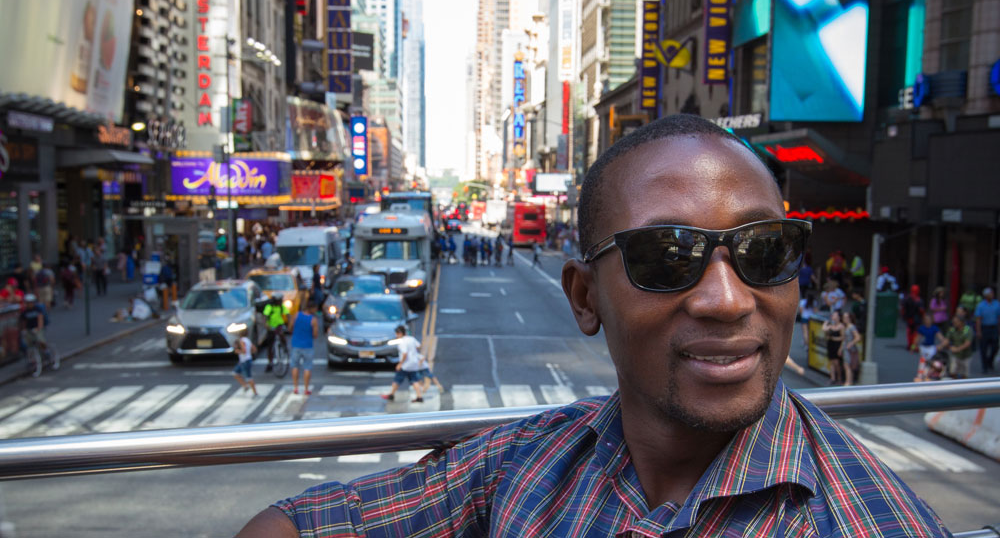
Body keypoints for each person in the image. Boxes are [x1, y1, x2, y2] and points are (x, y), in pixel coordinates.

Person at [238, 114, 949, 538]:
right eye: (668, 257)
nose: (728, 298)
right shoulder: (524, 464)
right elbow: (300, 523)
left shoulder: (867, 522)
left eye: (765, 252)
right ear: (584, 295)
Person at [380, 325, 424, 403]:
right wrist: (413, 350)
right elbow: (419, 346)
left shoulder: (402, 342)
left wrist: (400, 364)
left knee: (397, 379)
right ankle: (419, 397)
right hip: (414, 363)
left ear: (400, 333)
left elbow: (404, 354)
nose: (396, 336)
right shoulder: (411, 339)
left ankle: (391, 394)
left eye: (396, 334)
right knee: (414, 380)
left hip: (405, 365)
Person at [289, 300, 319, 395]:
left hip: (296, 344)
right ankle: (306, 389)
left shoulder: (296, 315)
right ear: (312, 308)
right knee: (307, 367)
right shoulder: (313, 320)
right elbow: (315, 334)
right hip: (308, 346)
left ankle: (295, 387)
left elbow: (290, 327)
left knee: (295, 366)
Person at [973, 286, 999, 374]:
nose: (992, 295)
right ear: (986, 295)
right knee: (983, 349)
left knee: (995, 347)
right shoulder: (981, 305)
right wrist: (979, 331)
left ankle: (989, 361)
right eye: (990, 293)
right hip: (984, 328)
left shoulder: (996, 304)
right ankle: (984, 366)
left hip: (994, 328)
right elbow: (978, 319)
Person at [262, 295, 290, 373]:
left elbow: (288, 314)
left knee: (282, 336)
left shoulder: (281, 307)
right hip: (271, 327)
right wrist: (266, 325)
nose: (280, 302)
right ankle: (270, 362)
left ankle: (285, 348)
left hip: (279, 325)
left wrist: (290, 324)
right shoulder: (269, 307)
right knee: (270, 346)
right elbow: (265, 316)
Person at [941, 313, 974, 379]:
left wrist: (957, 349)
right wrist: (939, 346)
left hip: (966, 355)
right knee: (953, 372)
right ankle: (955, 385)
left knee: (965, 374)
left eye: (956, 322)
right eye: (953, 322)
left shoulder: (968, 330)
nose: (954, 323)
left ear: (961, 322)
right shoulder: (952, 329)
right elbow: (947, 340)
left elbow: (967, 343)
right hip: (955, 355)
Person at [915, 311, 943, 380]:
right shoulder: (922, 328)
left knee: (931, 362)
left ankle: (928, 375)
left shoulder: (934, 328)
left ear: (931, 320)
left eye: (928, 319)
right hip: (923, 348)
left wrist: (942, 345)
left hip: (931, 348)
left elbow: (941, 338)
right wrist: (913, 346)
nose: (927, 321)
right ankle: (920, 375)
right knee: (923, 361)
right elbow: (917, 338)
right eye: (925, 319)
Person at [822, 309, 845, 385]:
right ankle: (833, 378)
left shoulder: (841, 326)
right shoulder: (831, 325)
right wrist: (826, 323)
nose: (833, 316)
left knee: (837, 363)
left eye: (835, 315)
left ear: (838, 317)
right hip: (831, 345)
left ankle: (839, 378)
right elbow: (824, 329)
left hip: (837, 345)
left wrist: (835, 339)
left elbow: (843, 338)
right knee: (832, 362)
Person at [233, 329, 258, 396]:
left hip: (245, 361)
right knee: (235, 373)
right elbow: (254, 349)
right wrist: (250, 353)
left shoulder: (241, 341)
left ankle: (255, 392)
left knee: (249, 377)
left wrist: (237, 351)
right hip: (246, 360)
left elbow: (244, 351)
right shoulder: (248, 340)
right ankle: (245, 386)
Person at [901, 284, 924, 353]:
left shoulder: (907, 298)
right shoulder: (918, 300)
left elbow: (903, 308)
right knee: (915, 333)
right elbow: (921, 310)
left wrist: (904, 316)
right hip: (916, 319)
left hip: (909, 318)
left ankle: (910, 345)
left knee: (910, 332)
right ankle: (913, 346)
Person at [842, 310, 862, 386]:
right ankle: (849, 381)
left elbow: (858, 337)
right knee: (847, 365)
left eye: (846, 317)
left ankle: (848, 382)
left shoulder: (851, 327)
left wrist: (850, 344)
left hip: (850, 349)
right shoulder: (846, 326)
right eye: (844, 317)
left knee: (847, 365)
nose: (844, 318)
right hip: (846, 348)